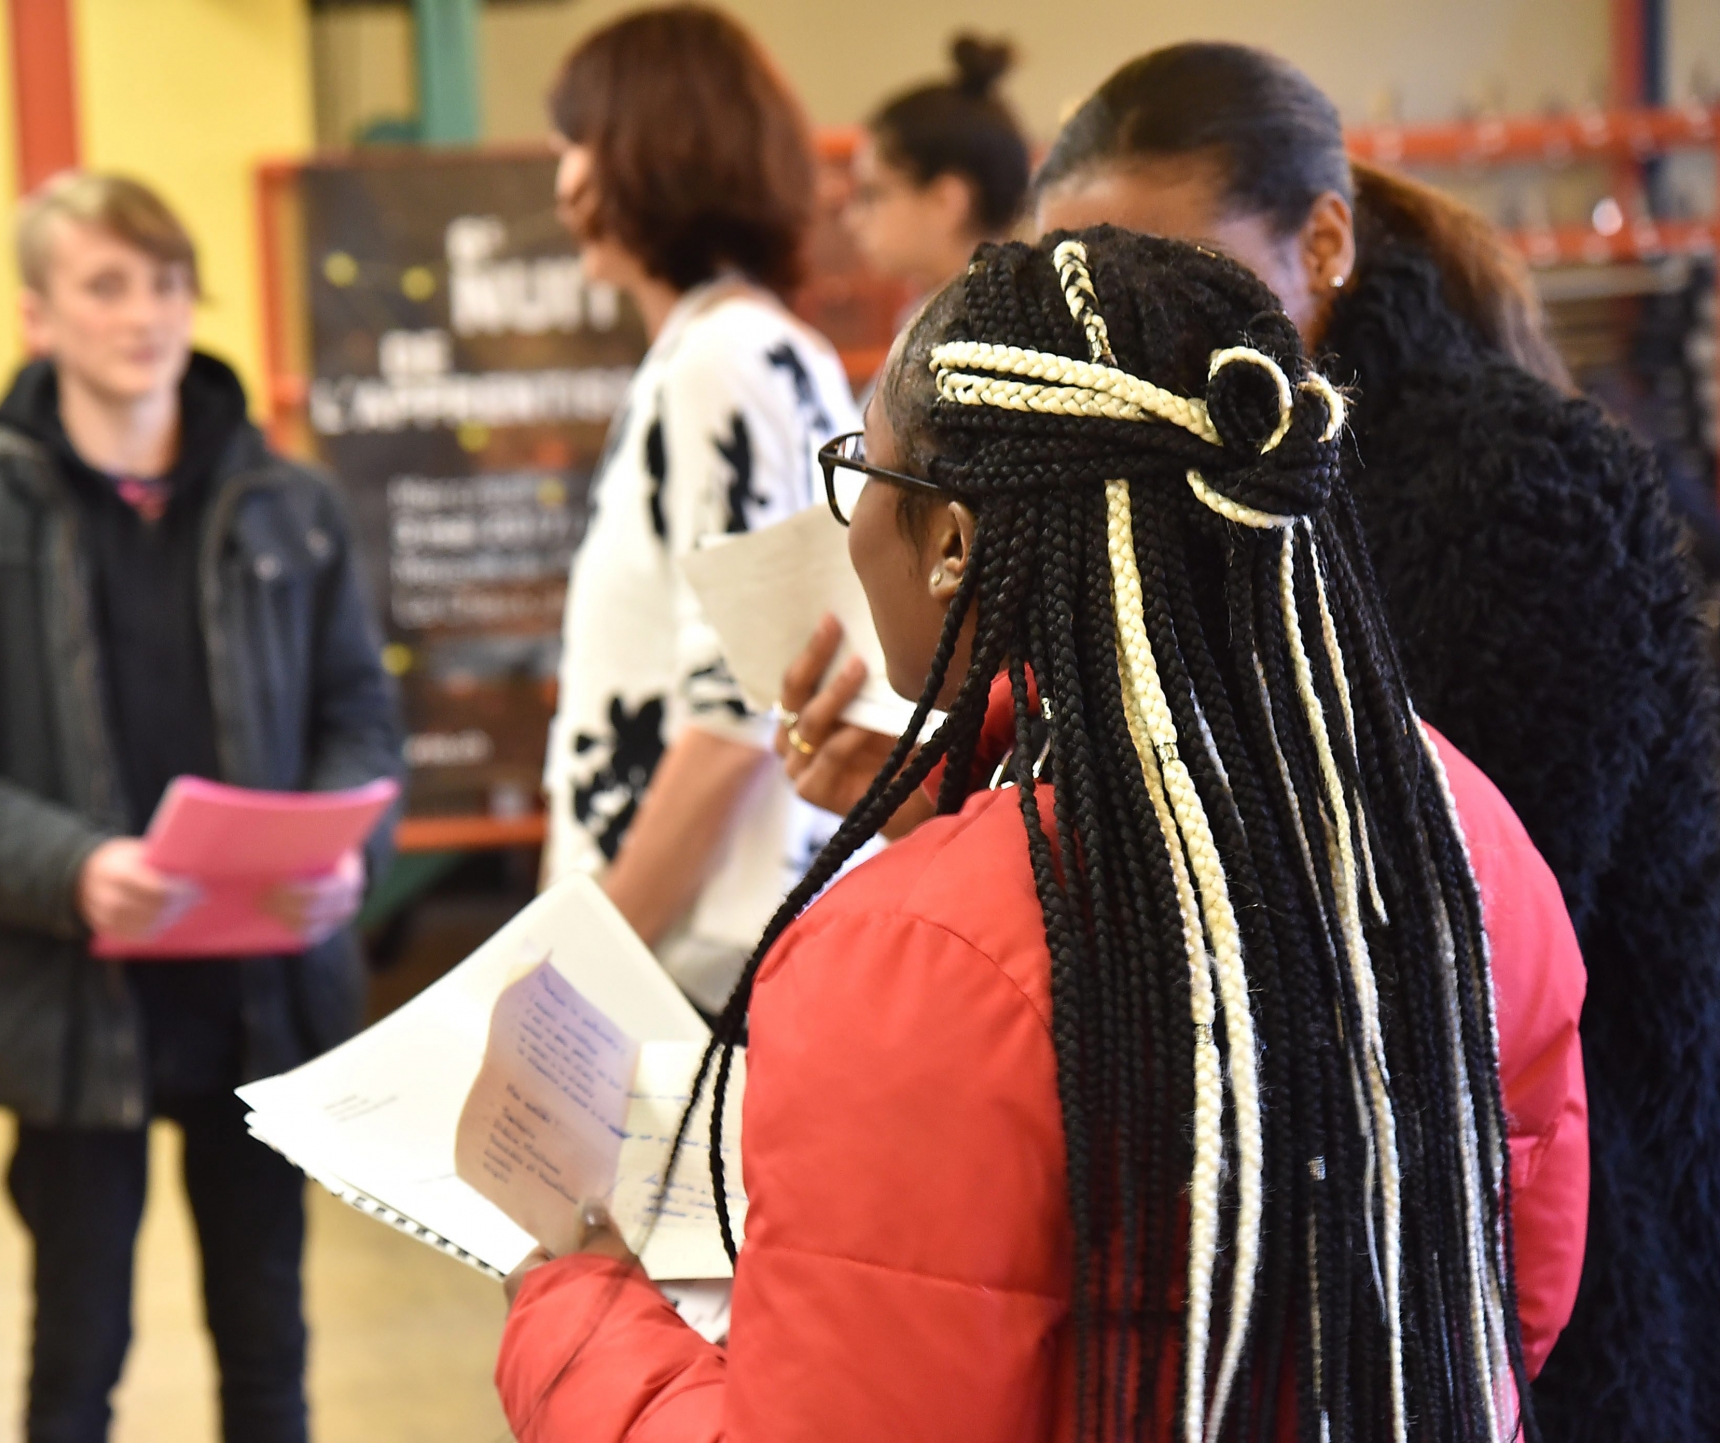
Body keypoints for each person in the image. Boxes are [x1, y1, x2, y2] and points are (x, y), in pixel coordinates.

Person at [498, 228, 1588, 1442]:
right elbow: (1502, 1310)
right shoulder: (1455, 832)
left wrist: (574, 1308)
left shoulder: (906, 965)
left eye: (866, 468)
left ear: (954, 540)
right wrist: (970, 791)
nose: (852, 517)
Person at [784, 44, 1720, 1440]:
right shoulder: (1192, 503)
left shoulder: (1507, 496)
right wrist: (961, 783)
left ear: (1324, 242)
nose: (1115, 329)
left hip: (1507, 1287)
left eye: (1165, 263)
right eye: (1080, 277)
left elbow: (1408, 944)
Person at [0, 171, 402, 1443]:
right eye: (105, 285)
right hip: (70, 1019)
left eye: (165, 282)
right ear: (36, 317)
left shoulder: (296, 512)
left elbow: (359, 722)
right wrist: (70, 865)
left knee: (269, 1353)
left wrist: (347, 854)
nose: (145, 314)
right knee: (76, 1364)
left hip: (262, 1004)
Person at [540, 5, 860, 1014]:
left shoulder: (719, 363)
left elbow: (737, 705)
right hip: (723, 937)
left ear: (639, 156)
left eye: (576, 146)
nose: (561, 183)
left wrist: (596, 966)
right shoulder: (754, 350)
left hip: (700, 956)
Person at [842, 34, 1031, 298]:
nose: (852, 220)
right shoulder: (935, 312)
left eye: (872, 194)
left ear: (946, 200)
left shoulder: (988, 322)